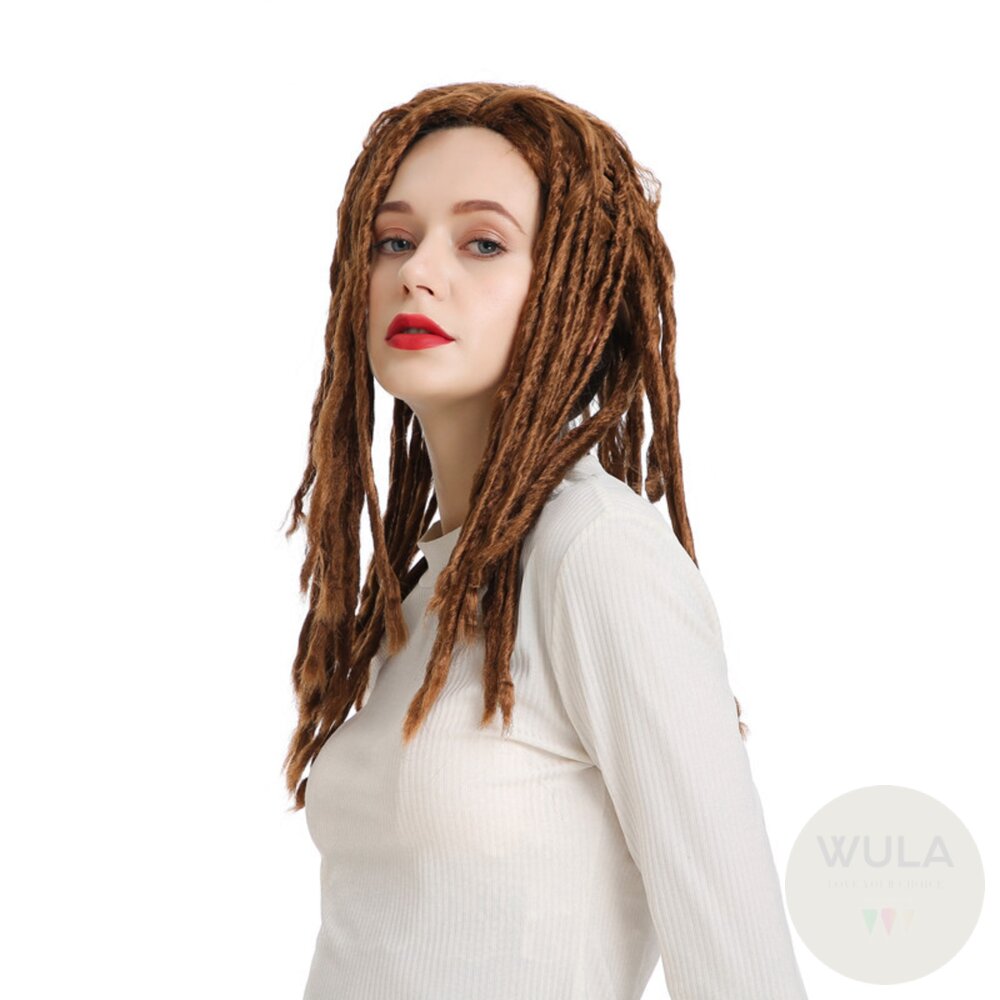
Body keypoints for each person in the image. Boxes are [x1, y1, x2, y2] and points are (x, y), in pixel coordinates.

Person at [282, 82, 809, 999]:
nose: (418, 272)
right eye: (394, 240)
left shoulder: (596, 554)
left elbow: (742, 972)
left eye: (482, 243)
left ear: (574, 292)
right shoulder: (431, 584)